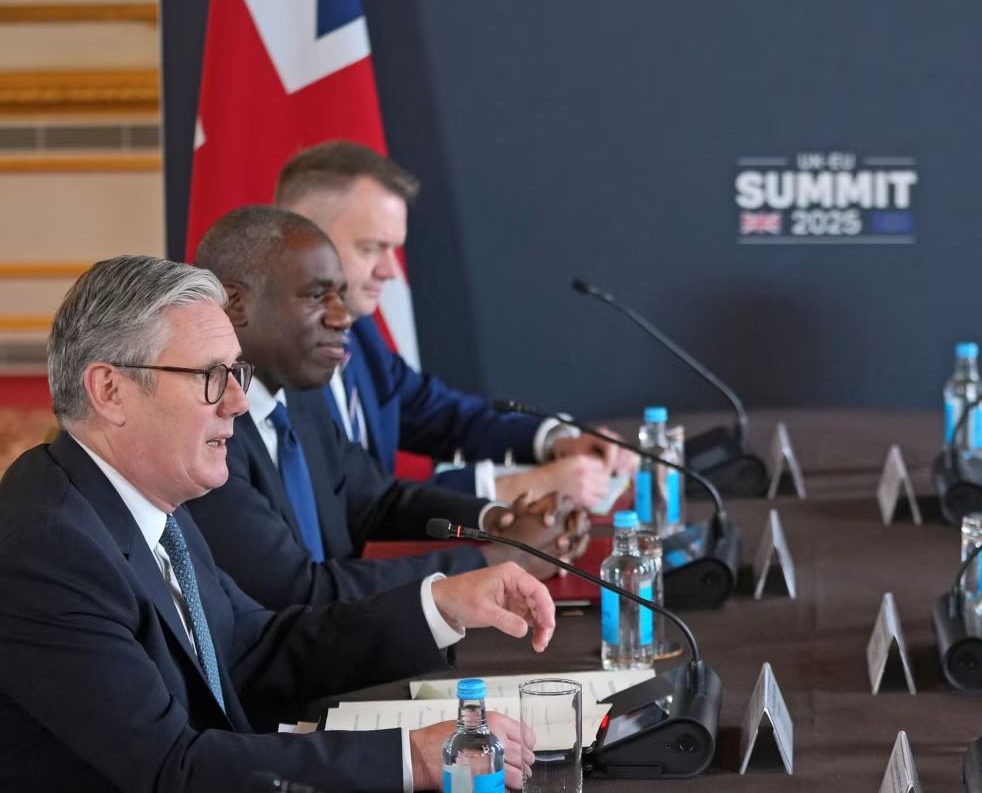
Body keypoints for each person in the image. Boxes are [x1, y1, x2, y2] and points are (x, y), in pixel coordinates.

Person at [0, 255, 557, 791]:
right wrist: (414, 758)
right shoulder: (48, 548)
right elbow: (172, 768)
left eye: (236, 373)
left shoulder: (143, 501)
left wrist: (441, 606)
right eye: (210, 376)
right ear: (110, 391)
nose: (238, 402)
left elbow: (255, 649)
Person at [185, 206, 585, 609]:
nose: (343, 318)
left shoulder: (300, 398)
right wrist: (491, 561)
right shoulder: (205, 437)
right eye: (316, 296)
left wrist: (497, 523)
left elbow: (378, 502)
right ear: (236, 303)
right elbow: (301, 594)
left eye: (340, 295)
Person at [275, 140, 632, 509]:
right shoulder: (272, 362)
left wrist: (557, 441)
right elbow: (352, 504)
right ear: (304, 240)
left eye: (393, 249)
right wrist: (518, 487)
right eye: (370, 248)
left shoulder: (357, 331)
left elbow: (437, 414)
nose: (389, 271)